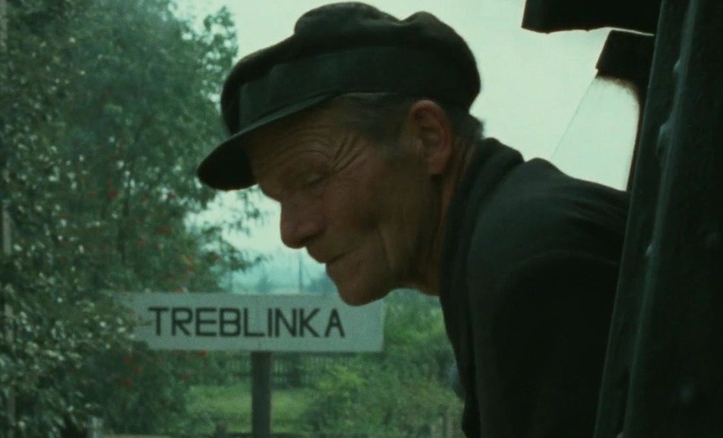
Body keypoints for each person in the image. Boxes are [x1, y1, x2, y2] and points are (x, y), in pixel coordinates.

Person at [196, 3, 629, 437]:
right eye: (278, 199)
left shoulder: (534, 267)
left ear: (428, 138)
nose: (292, 231)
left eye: (312, 179)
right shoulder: (496, 248)